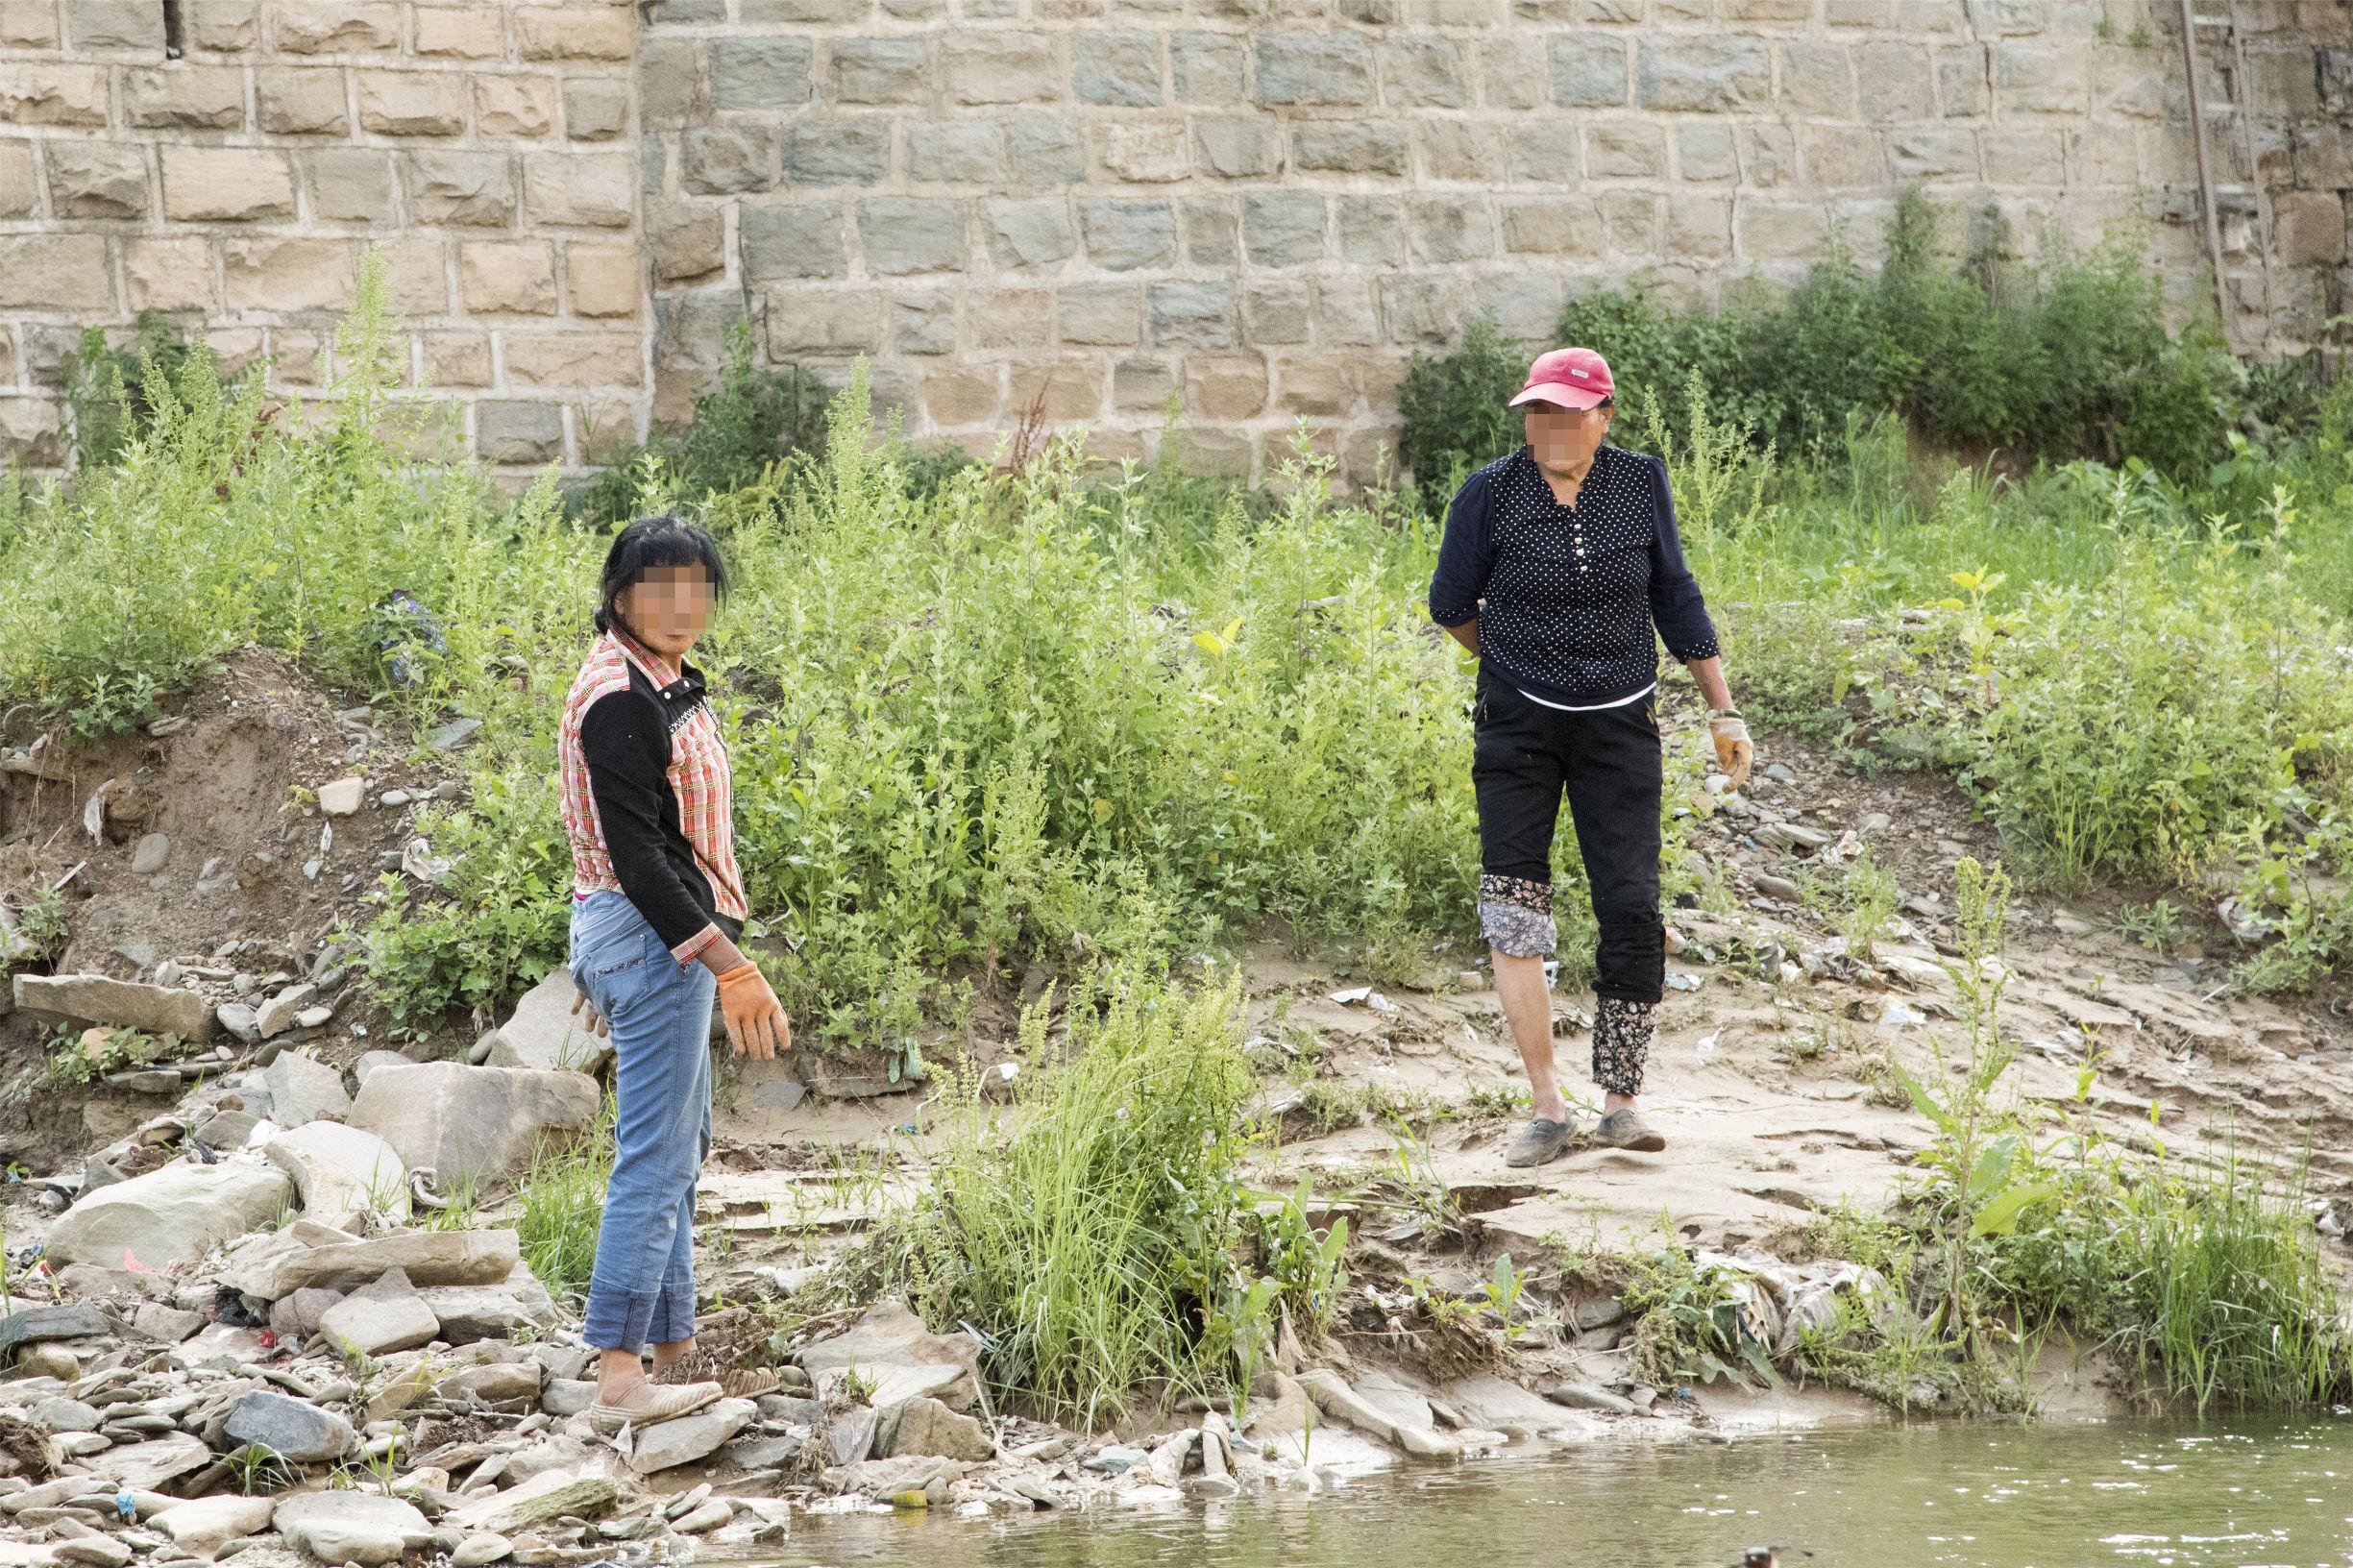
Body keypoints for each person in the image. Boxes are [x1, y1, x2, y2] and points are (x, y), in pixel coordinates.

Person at [1429, 348, 1753, 1167]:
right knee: (1515, 906)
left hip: (1619, 725)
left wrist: (1723, 709)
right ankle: (1547, 1107)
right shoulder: (1488, 492)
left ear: (1603, 416)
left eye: (1569, 413)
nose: (1551, 428)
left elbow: (1673, 594)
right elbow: (1450, 605)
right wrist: (1508, 661)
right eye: (1539, 412)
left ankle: (1621, 1103)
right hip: (1517, 728)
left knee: (1632, 907)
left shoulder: (1639, 483)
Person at [557, 515, 792, 1429]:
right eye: (658, 586)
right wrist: (730, 965)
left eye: (695, 585)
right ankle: (619, 1378)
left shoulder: (657, 683)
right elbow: (641, 858)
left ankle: (677, 1349)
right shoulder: (621, 699)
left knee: (679, 1148)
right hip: (656, 937)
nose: (679, 604)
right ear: (620, 596)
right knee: (654, 1157)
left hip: (656, 934)